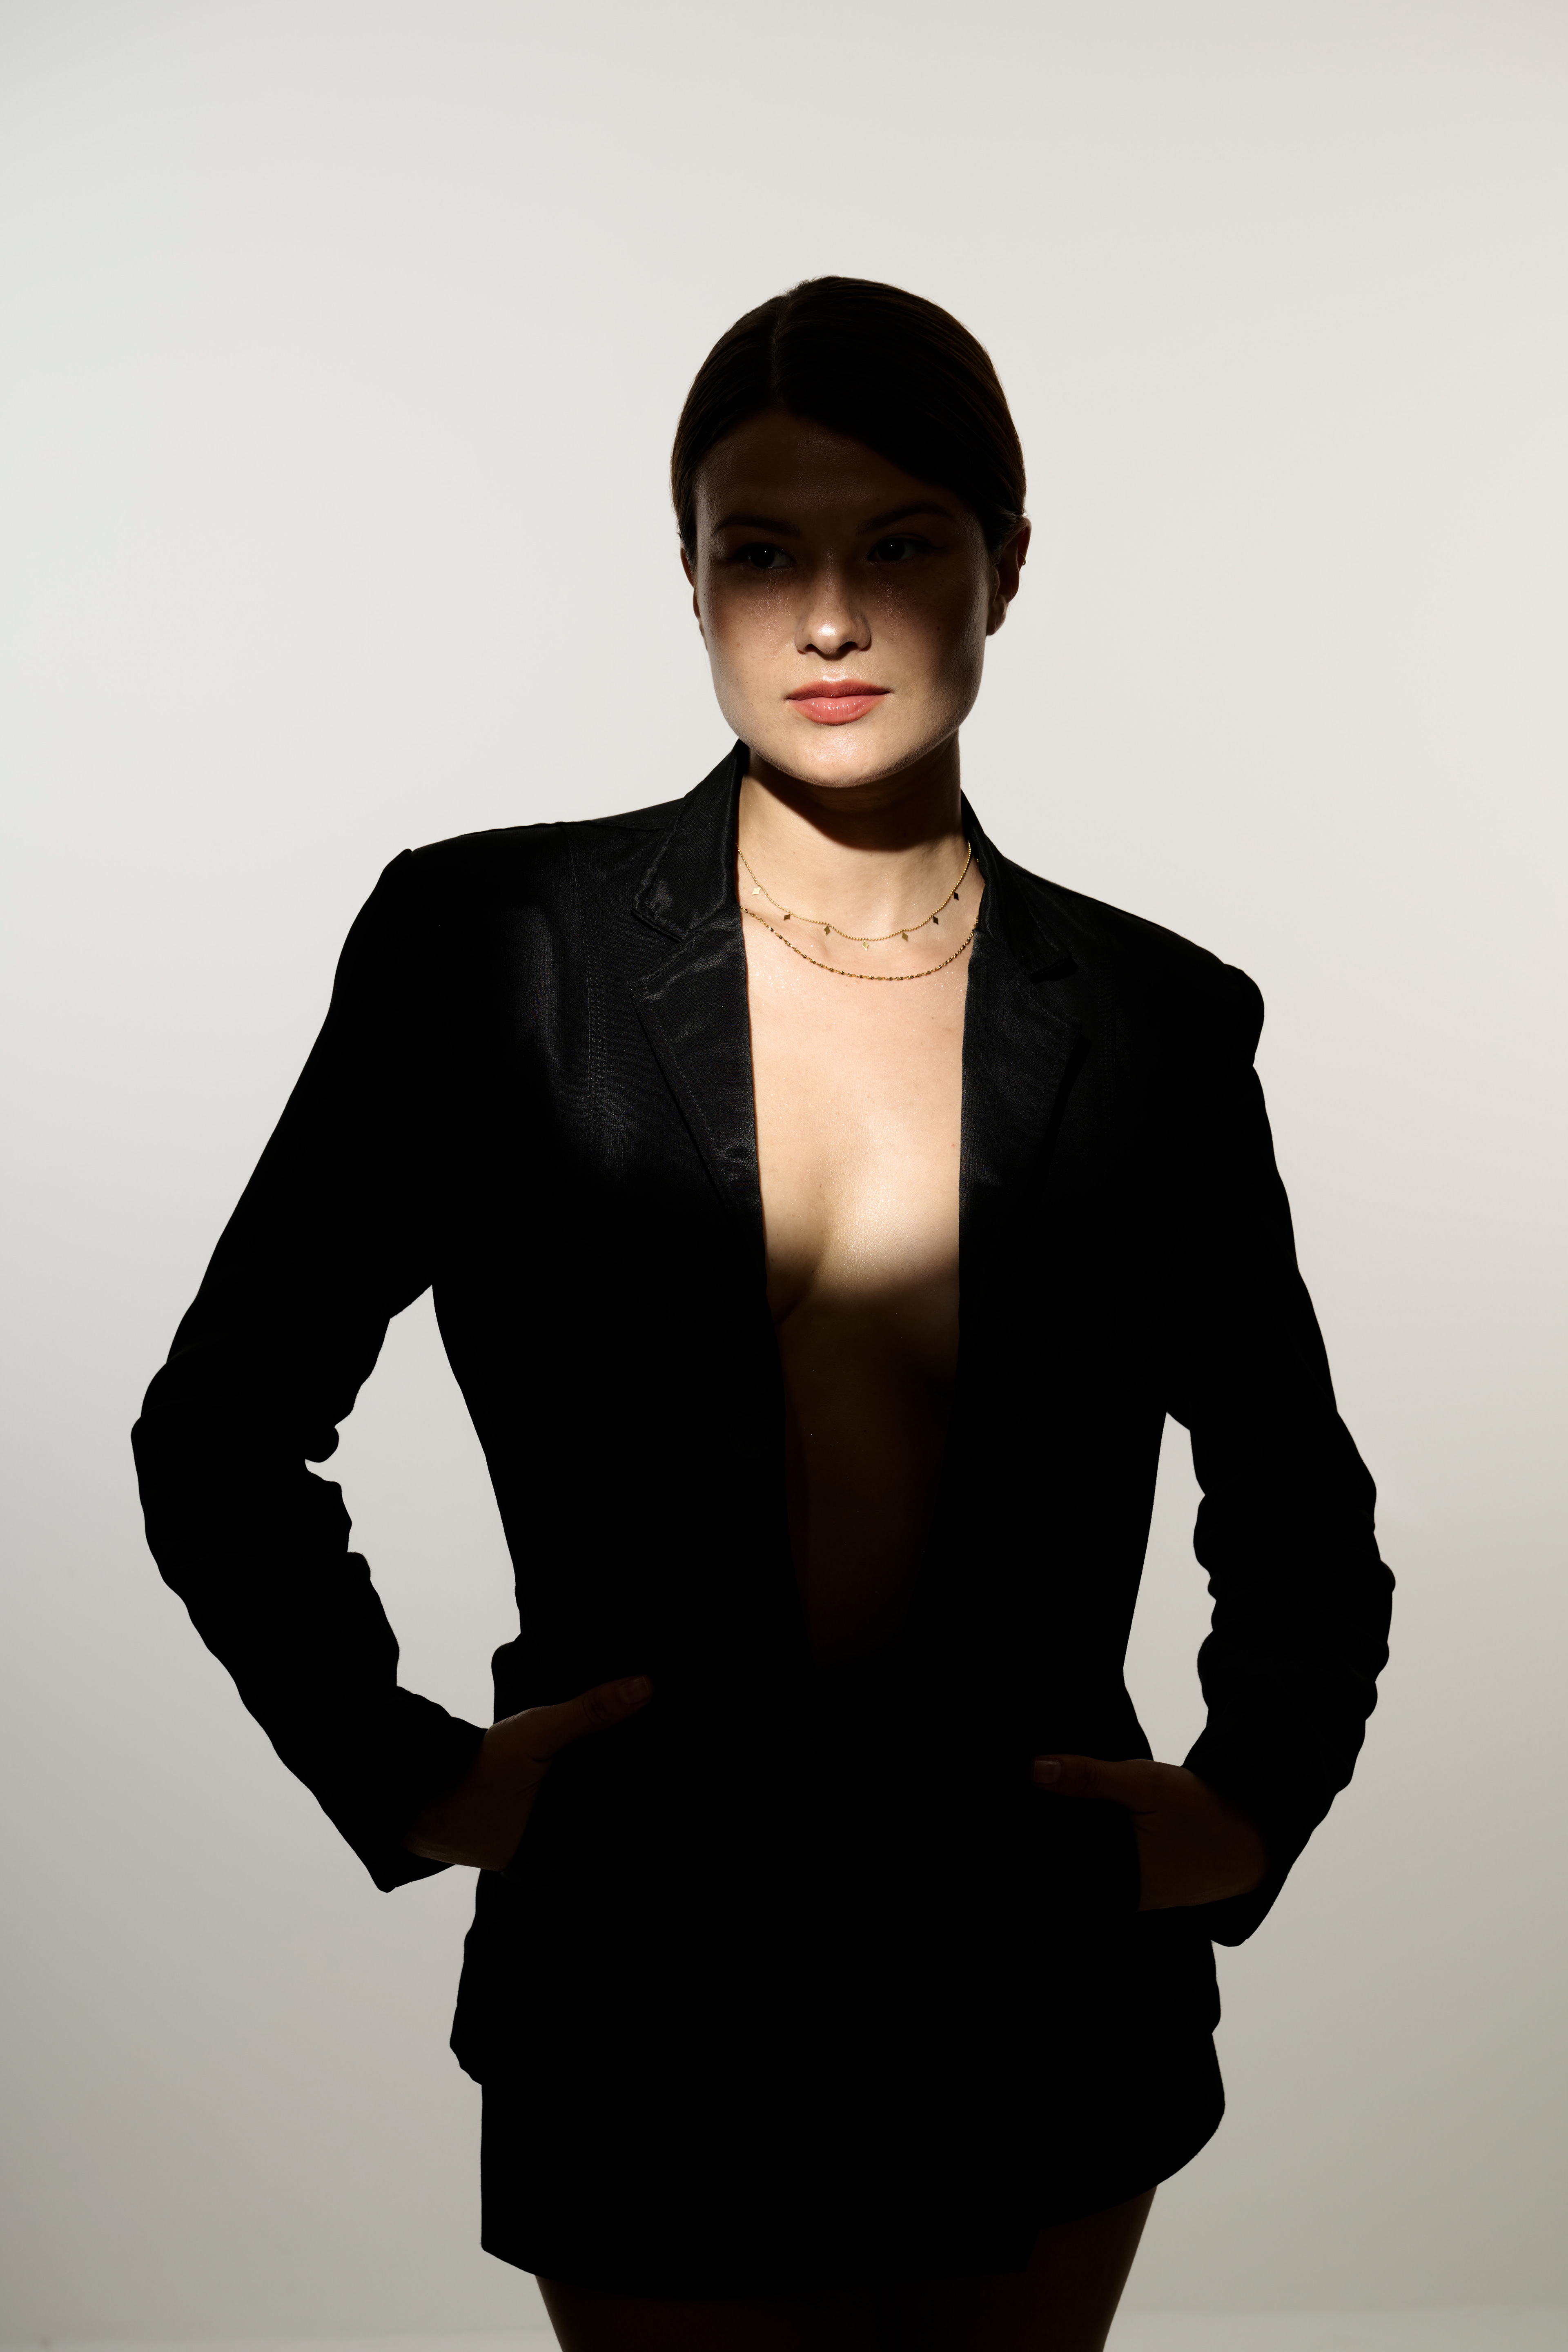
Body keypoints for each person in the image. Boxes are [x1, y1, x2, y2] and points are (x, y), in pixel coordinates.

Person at [133, 277, 1393, 2351]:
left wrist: (1249, 1800)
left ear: (1006, 564)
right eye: (761, 553)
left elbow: (1298, 1502)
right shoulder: (487, 953)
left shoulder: (1160, 1023)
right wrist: (410, 1771)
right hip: (647, 1966)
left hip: (1038, 1985)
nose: (828, 617)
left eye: (898, 544)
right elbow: (222, 1431)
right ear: (691, 577)